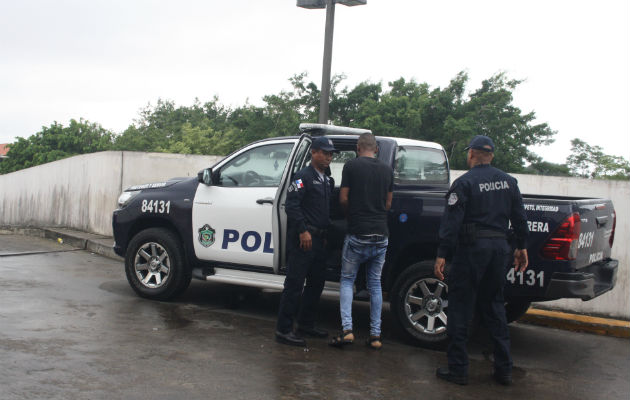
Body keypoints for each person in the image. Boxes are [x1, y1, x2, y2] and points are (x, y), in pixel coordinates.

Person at [433, 135, 529, 385]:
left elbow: (452, 223)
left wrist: (442, 253)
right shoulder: (509, 182)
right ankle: (504, 370)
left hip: (472, 250)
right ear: (492, 155)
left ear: (471, 154)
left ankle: (458, 370)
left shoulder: (464, 183)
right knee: (495, 306)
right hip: (500, 250)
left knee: (461, 307)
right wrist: (522, 247)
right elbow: (519, 218)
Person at [329, 132, 393, 350]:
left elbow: (344, 198)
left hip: (358, 232)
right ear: (376, 149)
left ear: (358, 148)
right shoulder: (387, 170)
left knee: (347, 280)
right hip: (381, 235)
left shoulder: (351, 167)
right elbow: (388, 203)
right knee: (375, 284)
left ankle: (347, 330)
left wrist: (351, 216)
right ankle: (375, 336)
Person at [275, 136, 338, 347]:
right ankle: (283, 330)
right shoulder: (303, 176)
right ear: (314, 152)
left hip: (320, 240)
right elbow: (292, 205)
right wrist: (302, 230)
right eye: (325, 152)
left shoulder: (327, 179)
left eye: (331, 154)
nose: (328, 157)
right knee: (294, 285)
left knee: (316, 284)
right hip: (304, 240)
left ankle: (306, 324)